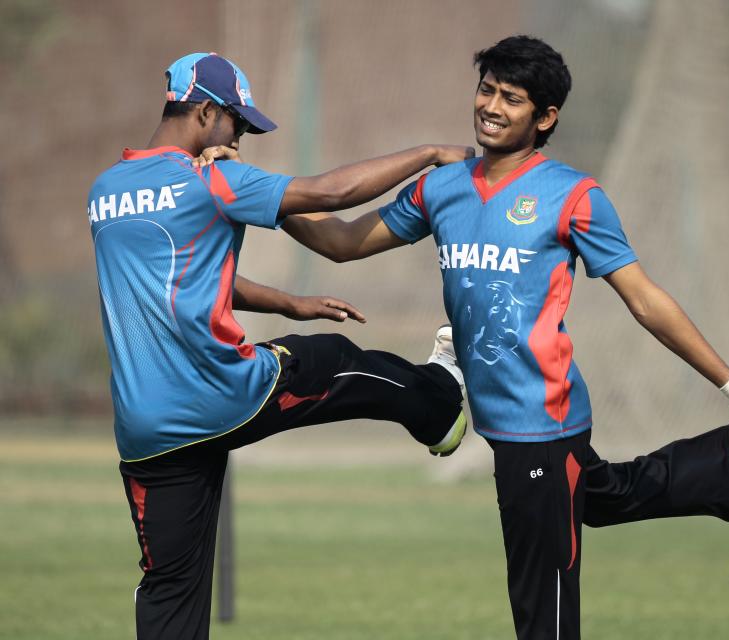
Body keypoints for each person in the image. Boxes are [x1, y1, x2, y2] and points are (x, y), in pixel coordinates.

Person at [260, 35, 729, 639]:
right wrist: (253, 196)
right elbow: (343, 243)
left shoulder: (575, 196)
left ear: (545, 117)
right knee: (600, 496)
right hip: (508, 426)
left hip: (540, 424)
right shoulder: (441, 188)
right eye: (487, 90)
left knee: (540, 611)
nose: (491, 107)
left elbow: (647, 302)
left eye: (512, 98)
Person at [88, 52, 474, 640]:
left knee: (171, 592)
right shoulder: (210, 177)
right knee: (339, 361)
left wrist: (291, 304)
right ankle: (442, 406)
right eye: (237, 124)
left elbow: (182, 278)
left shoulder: (105, 191)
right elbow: (333, 193)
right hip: (224, 397)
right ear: (207, 113)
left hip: (146, 433)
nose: (240, 136)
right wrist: (429, 154)